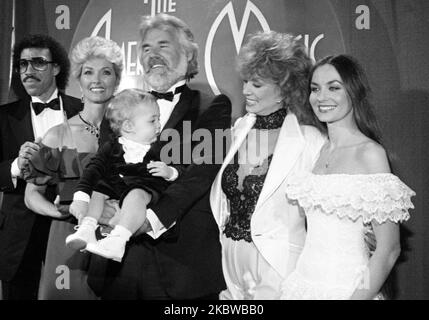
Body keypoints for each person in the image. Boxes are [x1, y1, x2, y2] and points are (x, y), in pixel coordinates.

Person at [89, 13, 231, 300]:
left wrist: (149, 220)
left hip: (181, 265)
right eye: (146, 48)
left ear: (188, 53)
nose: (153, 54)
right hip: (119, 270)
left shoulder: (213, 106)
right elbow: (107, 169)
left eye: (163, 46)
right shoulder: (120, 107)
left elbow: (198, 176)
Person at [281, 54, 415, 300]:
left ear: (353, 92)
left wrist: (357, 296)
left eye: (333, 88)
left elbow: (388, 250)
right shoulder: (317, 150)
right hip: (301, 287)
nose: (321, 97)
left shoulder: (370, 154)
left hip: (347, 291)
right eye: (315, 89)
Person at [209, 31, 326, 300]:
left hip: (278, 266)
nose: (246, 90)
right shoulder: (238, 130)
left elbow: (322, 219)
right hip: (230, 262)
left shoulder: (310, 141)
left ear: (285, 89)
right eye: (246, 81)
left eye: (257, 84)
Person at [23, 36, 122, 299]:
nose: (97, 80)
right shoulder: (58, 134)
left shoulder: (130, 132)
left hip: (116, 238)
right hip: (69, 240)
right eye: (88, 72)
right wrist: (60, 213)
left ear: (117, 80)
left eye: (106, 72)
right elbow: (31, 195)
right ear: (78, 79)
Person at [0, 34, 82, 300]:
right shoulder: (4, 116)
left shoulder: (82, 110)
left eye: (37, 63)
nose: (28, 71)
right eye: (22, 65)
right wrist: (16, 166)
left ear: (56, 68)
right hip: (18, 237)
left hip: (70, 226)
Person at [67, 89, 185, 263]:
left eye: (159, 119)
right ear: (128, 126)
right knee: (99, 189)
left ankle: (118, 240)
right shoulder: (112, 146)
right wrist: (80, 196)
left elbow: (181, 169)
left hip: (147, 189)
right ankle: (87, 228)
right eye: (153, 120)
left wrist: (170, 172)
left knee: (135, 194)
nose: (159, 125)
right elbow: (93, 168)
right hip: (119, 188)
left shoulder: (160, 148)